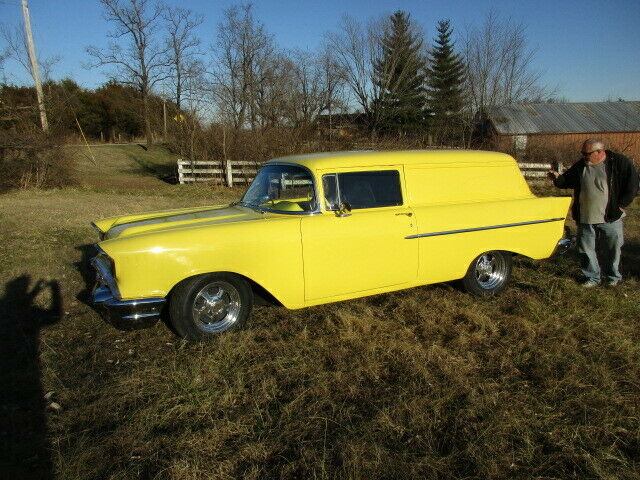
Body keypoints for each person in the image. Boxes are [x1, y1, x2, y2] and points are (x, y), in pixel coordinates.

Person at [548, 138, 638, 287]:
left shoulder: (618, 162)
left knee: (612, 249)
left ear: (600, 152)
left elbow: (633, 183)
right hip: (585, 215)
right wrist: (557, 178)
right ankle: (592, 278)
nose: (584, 156)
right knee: (585, 249)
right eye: (582, 153)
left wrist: (621, 205)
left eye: (587, 153)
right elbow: (567, 180)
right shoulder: (581, 165)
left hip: (611, 216)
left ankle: (612, 278)